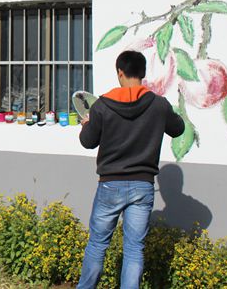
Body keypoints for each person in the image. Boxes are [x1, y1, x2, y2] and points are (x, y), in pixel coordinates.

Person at [76, 50, 185, 289]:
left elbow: (88, 142)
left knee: (98, 244)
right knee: (134, 248)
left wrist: (87, 125)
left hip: (110, 184)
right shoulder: (159, 104)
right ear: (143, 73)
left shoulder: (102, 105)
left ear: (120, 72)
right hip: (143, 185)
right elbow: (178, 129)